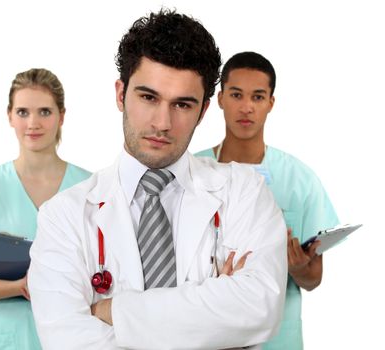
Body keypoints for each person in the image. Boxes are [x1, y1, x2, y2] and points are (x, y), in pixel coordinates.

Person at [28, 10, 287, 350]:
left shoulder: (244, 192)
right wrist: (216, 309)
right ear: (121, 94)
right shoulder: (63, 216)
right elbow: (68, 341)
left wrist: (113, 311)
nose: (162, 122)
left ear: (204, 111)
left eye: (182, 104)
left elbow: (259, 307)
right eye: (148, 98)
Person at [195, 51, 339, 349]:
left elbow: (313, 279)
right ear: (220, 99)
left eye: (258, 97)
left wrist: (298, 267)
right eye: (236, 95)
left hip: (277, 339)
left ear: (271, 103)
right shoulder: (191, 173)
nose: (246, 107)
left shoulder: (300, 181)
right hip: (206, 331)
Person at [0, 68, 91, 350]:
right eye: (23, 112)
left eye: (45, 112)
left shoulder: (88, 187)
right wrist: (20, 286)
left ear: (62, 116)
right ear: (9, 116)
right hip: (8, 338)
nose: (33, 123)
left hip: (74, 335)